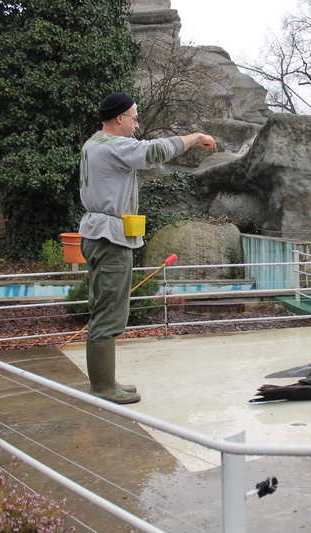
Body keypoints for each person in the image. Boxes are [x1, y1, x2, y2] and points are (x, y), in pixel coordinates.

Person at [78, 92, 216, 404]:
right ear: (119, 118)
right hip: (108, 237)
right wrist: (195, 137)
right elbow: (155, 151)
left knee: (107, 307)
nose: (137, 124)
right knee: (108, 312)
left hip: (101, 233)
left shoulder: (93, 144)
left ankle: (106, 381)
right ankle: (102, 388)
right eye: (134, 117)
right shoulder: (113, 145)